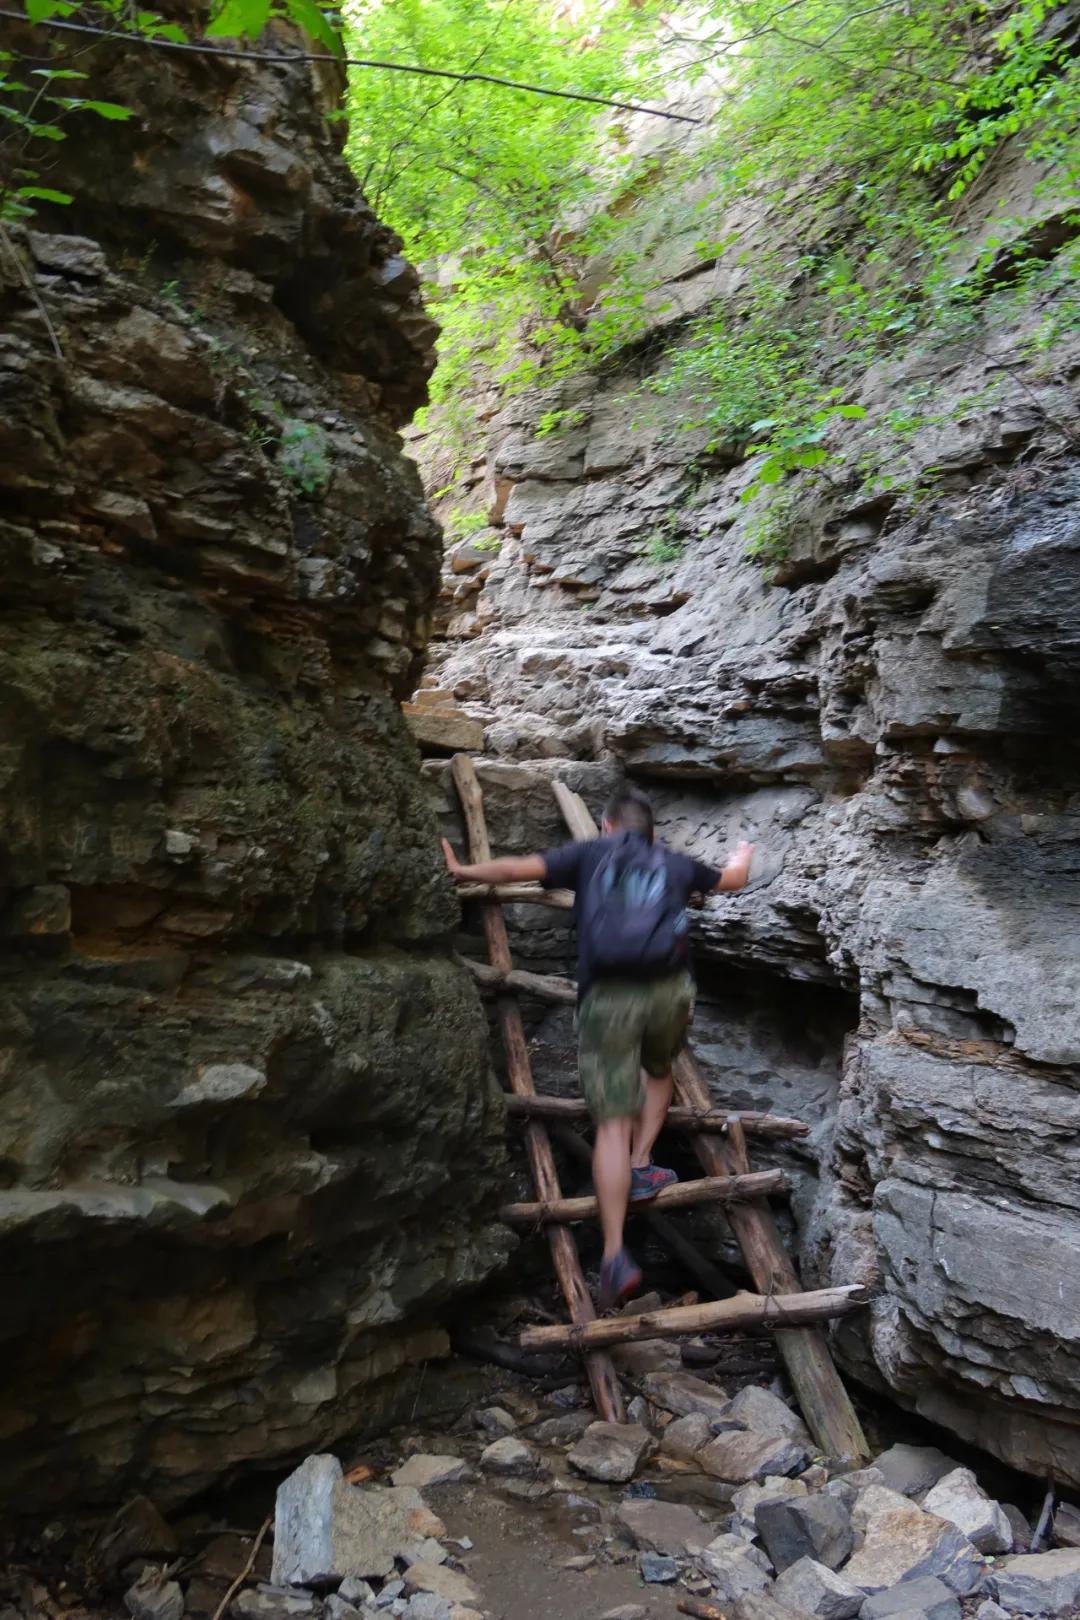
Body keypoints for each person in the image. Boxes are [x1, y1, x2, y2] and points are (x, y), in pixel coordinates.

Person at [442, 784, 755, 1311]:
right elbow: (734, 881)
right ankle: (643, 1161)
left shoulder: (588, 854)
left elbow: (520, 867)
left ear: (607, 827)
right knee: (660, 1069)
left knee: (610, 1120)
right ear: (651, 833)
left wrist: (466, 872)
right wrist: (742, 852)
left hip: (608, 996)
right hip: (671, 990)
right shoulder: (673, 862)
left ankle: (614, 1255)